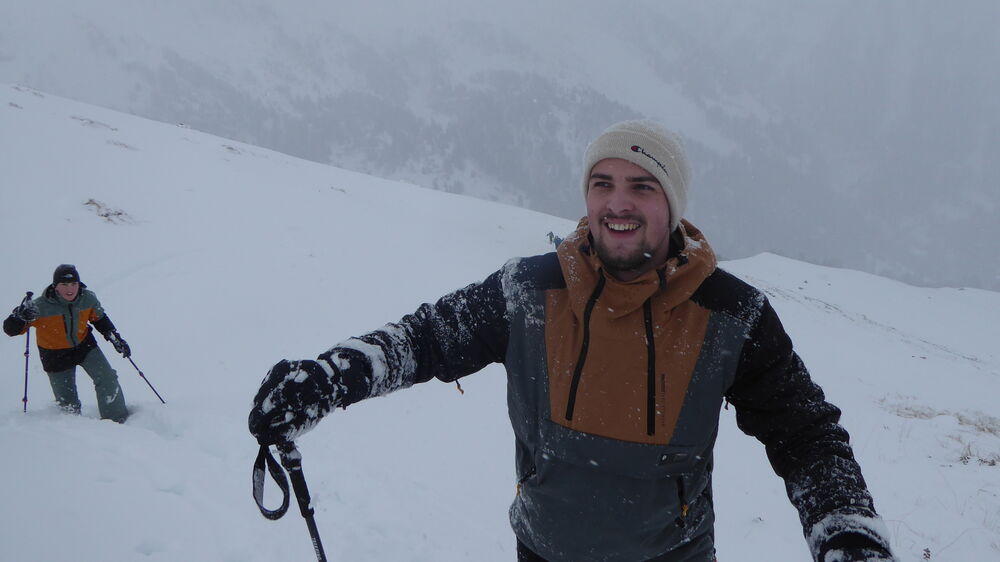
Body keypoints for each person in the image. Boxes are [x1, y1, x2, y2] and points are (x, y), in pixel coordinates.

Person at [248, 121, 896, 562]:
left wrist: (847, 531)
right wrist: (329, 378)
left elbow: (805, 434)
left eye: (642, 186)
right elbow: (425, 339)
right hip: (544, 551)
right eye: (602, 184)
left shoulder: (732, 315)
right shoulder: (528, 291)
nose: (618, 203)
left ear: (673, 204)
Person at [5, 264, 130, 422]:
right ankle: (73, 429)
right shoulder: (39, 307)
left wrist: (114, 337)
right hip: (55, 356)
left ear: (79, 284)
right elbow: (11, 330)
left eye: (73, 284)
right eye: (64, 284)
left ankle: (116, 420)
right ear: (55, 286)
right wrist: (19, 317)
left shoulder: (87, 299)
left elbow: (99, 318)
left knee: (107, 378)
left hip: (85, 347)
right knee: (68, 405)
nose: (70, 289)